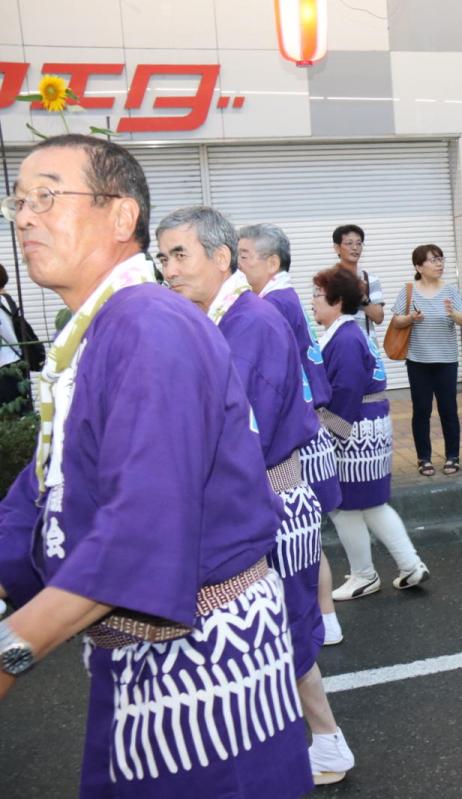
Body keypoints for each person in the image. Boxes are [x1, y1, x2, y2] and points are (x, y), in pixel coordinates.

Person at [0, 134, 311, 796]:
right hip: (144, 654)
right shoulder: (103, 327)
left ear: (121, 215)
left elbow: (144, 526)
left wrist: (11, 648)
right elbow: (47, 487)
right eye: (17, 202)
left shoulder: (149, 325)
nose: (24, 217)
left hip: (204, 665)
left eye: (46, 197)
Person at [158, 207, 355, 786]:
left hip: (266, 502)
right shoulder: (225, 318)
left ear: (222, 259)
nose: (169, 269)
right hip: (257, 499)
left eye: (180, 254)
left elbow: (238, 434)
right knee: (274, 632)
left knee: (284, 631)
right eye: (163, 256)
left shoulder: (251, 322)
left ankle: (326, 742)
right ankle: (313, 742)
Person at [238, 223, 345, 643]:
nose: (236, 263)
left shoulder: (271, 304)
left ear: (272, 262)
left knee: (303, 538)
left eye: (244, 255)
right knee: (307, 536)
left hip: (298, 433)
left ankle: (322, 619)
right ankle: (323, 618)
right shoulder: (281, 299)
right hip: (306, 426)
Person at [312, 267, 430, 600]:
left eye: (318, 295)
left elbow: (347, 388)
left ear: (337, 300)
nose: (313, 302)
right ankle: (409, 565)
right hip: (367, 426)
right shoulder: (349, 332)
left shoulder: (345, 337)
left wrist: (329, 428)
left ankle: (365, 575)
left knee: (345, 507)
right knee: (371, 503)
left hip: (352, 429)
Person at [387, 243, 462, 477]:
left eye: (441, 259)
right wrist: (411, 318)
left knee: (448, 410)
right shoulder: (409, 290)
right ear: (419, 266)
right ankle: (423, 458)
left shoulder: (450, 290)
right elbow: (396, 321)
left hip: (446, 361)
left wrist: (452, 313)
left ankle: (453, 456)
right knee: (421, 410)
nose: (439, 264)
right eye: (433, 260)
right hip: (418, 361)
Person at [332, 224, 384, 336]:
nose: (355, 248)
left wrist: (361, 296)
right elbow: (322, 316)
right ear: (337, 248)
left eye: (359, 243)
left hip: (367, 343)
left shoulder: (370, 279)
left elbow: (379, 318)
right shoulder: (328, 280)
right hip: (340, 342)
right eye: (349, 243)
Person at [0, 264, 32, 413]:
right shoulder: (7, 299)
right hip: (15, 361)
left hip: (7, 364)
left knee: (12, 413)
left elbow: (8, 334)